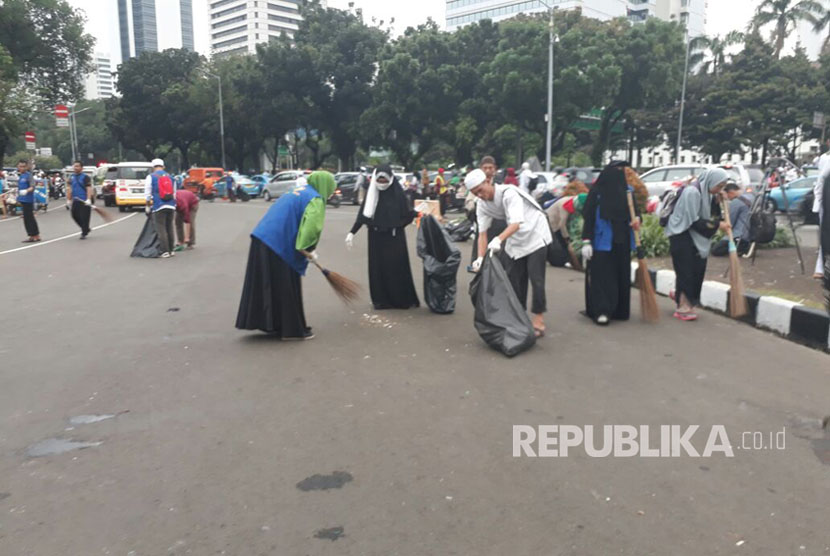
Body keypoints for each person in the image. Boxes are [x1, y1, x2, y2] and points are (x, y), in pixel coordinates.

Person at [236, 171, 337, 340]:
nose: (332, 192)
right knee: (286, 284)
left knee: (272, 284)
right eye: (331, 188)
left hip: (263, 238)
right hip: (278, 242)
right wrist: (309, 250)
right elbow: (311, 228)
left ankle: (275, 324)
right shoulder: (315, 199)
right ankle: (291, 330)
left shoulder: (298, 191)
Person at [468, 168, 552, 337]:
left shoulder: (508, 193)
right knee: (514, 278)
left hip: (535, 232)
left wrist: (499, 239)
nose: (480, 195)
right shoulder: (482, 206)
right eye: (475, 193)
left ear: (488, 182)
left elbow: (515, 223)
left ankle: (538, 318)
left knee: (536, 278)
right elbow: (482, 234)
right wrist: (479, 257)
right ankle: (519, 317)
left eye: (480, 190)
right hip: (515, 238)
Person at [346, 164, 420, 310]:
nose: (381, 184)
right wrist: (352, 232)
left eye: (384, 181)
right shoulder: (371, 194)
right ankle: (381, 300)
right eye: (379, 181)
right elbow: (363, 216)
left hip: (395, 238)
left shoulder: (397, 194)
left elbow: (406, 214)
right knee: (378, 269)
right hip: (376, 237)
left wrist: (416, 214)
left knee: (396, 268)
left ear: (391, 179)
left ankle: (400, 300)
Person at [664, 168, 730, 321]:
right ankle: (683, 307)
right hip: (681, 234)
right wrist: (718, 225)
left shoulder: (707, 193)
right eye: (719, 186)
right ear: (711, 181)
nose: (719, 190)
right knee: (686, 271)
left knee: (697, 269)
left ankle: (681, 295)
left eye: (722, 187)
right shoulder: (692, 192)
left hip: (694, 236)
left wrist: (717, 202)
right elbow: (693, 221)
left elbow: (711, 216)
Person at [580, 162, 641, 325]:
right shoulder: (597, 193)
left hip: (622, 241)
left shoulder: (628, 192)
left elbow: (636, 213)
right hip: (602, 241)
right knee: (602, 277)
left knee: (621, 275)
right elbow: (589, 217)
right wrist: (586, 241)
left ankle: (620, 310)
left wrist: (636, 221)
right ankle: (602, 310)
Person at [144, 158, 177, 258]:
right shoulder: (171, 177)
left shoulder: (151, 177)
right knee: (169, 227)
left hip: (159, 206)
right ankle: (171, 250)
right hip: (171, 205)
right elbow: (174, 193)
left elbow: (148, 194)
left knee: (161, 228)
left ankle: (165, 251)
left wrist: (147, 206)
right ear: (163, 166)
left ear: (153, 167)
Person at [711, 181, 752, 257]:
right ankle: (744, 247)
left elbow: (730, 223)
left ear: (731, 193)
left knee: (715, 250)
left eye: (727, 196)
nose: (728, 199)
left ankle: (741, 248)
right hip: (751, 234)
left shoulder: (736, 202)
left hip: (739, 235)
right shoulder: (751, 197)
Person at [813, 140, 830, 279]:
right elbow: (820, 181)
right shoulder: (825, 158)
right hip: (826, 200)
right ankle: (820, 268)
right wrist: (818, 203)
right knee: (825, 234)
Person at [67, 160, 94, 239]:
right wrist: (69, 199)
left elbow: (89, 188)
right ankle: (85, 228)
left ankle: (84, 233)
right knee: (74, 215)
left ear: (82, 168)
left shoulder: (85, 177)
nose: (75, 167)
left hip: (84, 200)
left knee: (84, 217)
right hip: (76, 200)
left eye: (77, 166)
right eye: (74, 166)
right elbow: (69, 188)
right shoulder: (71, 177)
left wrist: (88, 199)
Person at [16, 160, 40, 243]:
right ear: (18, 167)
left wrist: (26, 191)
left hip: (28, 200)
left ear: (27, 167)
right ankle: (31, 235)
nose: (22, 168)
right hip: (23, 200)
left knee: (30, 218)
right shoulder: (21, 176)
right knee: (26, 219)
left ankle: (35, 235)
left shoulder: (28, 176)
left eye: (23, 166)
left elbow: (32, 187)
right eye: (20, 166)